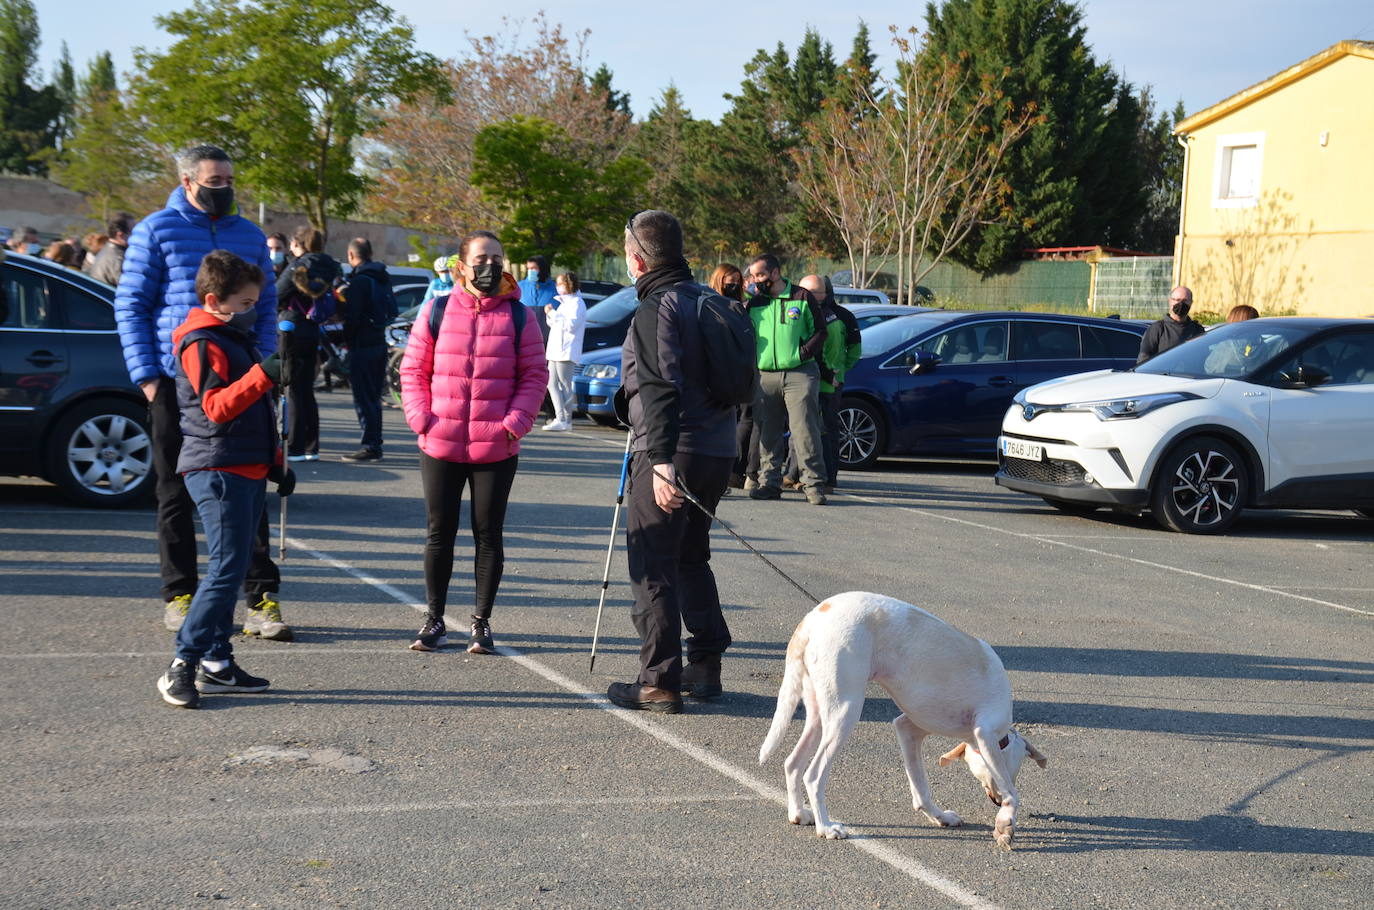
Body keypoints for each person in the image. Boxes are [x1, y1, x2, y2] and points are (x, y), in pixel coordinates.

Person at [115, 144, 290, 641]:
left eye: (229, 180)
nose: (225, 190)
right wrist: (147, 376)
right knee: (173, 489)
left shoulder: (249, 234)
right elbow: (131, 305)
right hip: (176, 380)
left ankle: (260, 599)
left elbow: (267, 303)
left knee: (252, 481)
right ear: (188, 182)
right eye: (215, 182)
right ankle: (181, 593)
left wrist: (265, 367)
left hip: (243, 377)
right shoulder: (156, 230)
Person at [606, 210, 738, 714]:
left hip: (670, 449)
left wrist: (660, 459)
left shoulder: (655, 306)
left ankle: (659, 678)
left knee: (653, 563)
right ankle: (705, 663)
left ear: (636, 258)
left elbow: (660, 383)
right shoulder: (712, 301)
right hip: (716, 450)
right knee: (689, 557)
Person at [399, 231, 548, 654]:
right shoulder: (437, 310)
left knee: (488, 535)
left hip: (495, 446)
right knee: (438, 534)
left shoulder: (520, 317)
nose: (490, 266)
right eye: (482, 258)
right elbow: (413, 371)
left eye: (497, 258)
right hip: (440, 442)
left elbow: (534, 376)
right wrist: (421, 419)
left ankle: (481, 623)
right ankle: (434, 620)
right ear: (460, 266)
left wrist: (513, 424)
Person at [156, 251, 293, 708]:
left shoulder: (232, 335)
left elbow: (255, 413)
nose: (251, 309)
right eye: (244, 302)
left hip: (243, 463)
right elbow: (216, 407)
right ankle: (184, 661)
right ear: (214, 299)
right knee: (226, 570)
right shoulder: (201, 341)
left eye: (255, 301)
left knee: (228, 569)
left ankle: (217, 661)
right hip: (216, 467)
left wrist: (275, 460)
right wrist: (261, 374)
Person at [744, 253, 828, 505]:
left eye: (760, 274)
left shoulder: (802, 297)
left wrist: (801, 353)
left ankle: (813, 484)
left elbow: (821, 331)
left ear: (776, 273)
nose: (755, 280)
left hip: (800, 373)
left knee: (804, 431)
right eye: (753, 275)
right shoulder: (755, 303)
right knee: (767, 432)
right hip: (765, 374)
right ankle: (769, 483)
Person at [276, 240, 341, 461]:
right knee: (307, 391)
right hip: (312, 330)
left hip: (291, 329)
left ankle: (294, 447)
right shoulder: (327, 267)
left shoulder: (299, 267)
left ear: (298, 243)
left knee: (292, 389)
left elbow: (277, 293)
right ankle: (312, 446)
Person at [799, 275, 860, 493]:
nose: (810, 297)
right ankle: (795, 475)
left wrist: (839, 371)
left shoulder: (843, 316)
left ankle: (828, 478)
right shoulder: (799, 313)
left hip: (830, 385)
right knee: (802, 431)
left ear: (826, 293)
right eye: (805, 291)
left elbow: (854, 350)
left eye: (815, 292)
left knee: (827, 432)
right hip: (803, 382)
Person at [338, 237, 390, 462]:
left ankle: (370, 446)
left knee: (363, 397)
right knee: (374, 397)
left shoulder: (359, 281)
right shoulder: (381, 276)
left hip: (362, 345)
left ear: (351, 255)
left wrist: (342, 337)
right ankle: (374, 443)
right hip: (379, 341)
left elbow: (353, 317)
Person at [710, 264, 757, 490]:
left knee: (742, 421)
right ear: (719, 280)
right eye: (730, 281)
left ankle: (734, 473)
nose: (734, 285)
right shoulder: (708, 304)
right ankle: (720, 474)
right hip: (718, 373)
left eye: (737, 281)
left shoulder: (742, 307)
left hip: (742, 371)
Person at [542, 271, 587, 431]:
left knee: (565, 385)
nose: (557, 286)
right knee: (551, 383)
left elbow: (570, 326)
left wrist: (552, 313)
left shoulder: (577, 303)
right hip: (555, 349)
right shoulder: (564, 303)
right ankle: (559, 416)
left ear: (568, 284)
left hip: (566, 351)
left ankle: (566, 420)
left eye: (560, 283)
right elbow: (555, 324)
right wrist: (551, 315)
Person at [1137, 286, 1205, 364]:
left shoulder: (1197, 330)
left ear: (1191, 303)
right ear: (1170, 301)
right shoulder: (1158, 329)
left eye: (1185, 300)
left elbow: (1202, 358)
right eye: (1178, 300)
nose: (1181, 304)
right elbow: (1143, 360)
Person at [87, 214, 133, 286]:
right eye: (133, 232)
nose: (137, 235)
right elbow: (128, 288)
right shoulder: (117, 258)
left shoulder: (107, 250)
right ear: (120, 235)